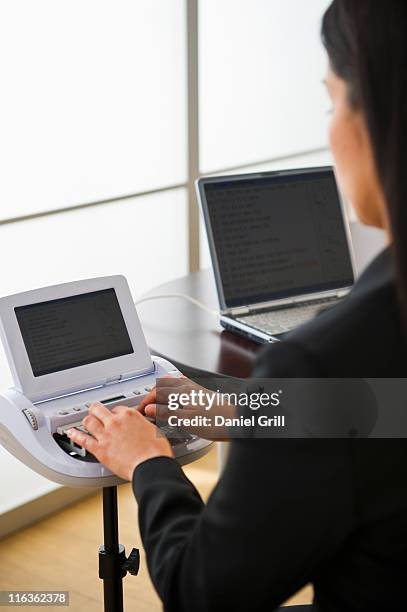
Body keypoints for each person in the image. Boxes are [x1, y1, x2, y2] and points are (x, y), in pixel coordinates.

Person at [67, 1, 407, 610]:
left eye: (332, 102)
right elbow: (387, 412)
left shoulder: (327, 356)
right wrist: (244, 415)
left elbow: (205, 592)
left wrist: (150, 463)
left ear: (376, 114)